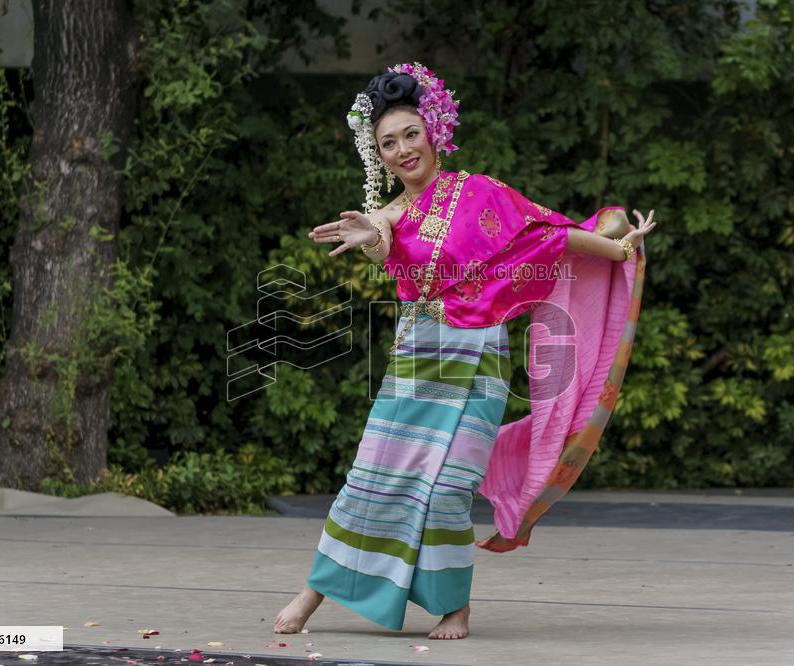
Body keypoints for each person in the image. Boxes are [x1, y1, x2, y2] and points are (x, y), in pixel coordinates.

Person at [274, 62, 657, 640]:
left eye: (410, 134)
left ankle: (456, 606)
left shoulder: (479, 192)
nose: (403, 149)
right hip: (419, 358)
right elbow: (380, 236)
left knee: (451, 487)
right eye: (387, 143)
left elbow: (544, 236)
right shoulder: (392, 214)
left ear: (433, 132)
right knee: (374, 478)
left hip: (481, 359)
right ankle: (312, 593)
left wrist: (615, 248)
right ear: (377, 157)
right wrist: (370, 237)